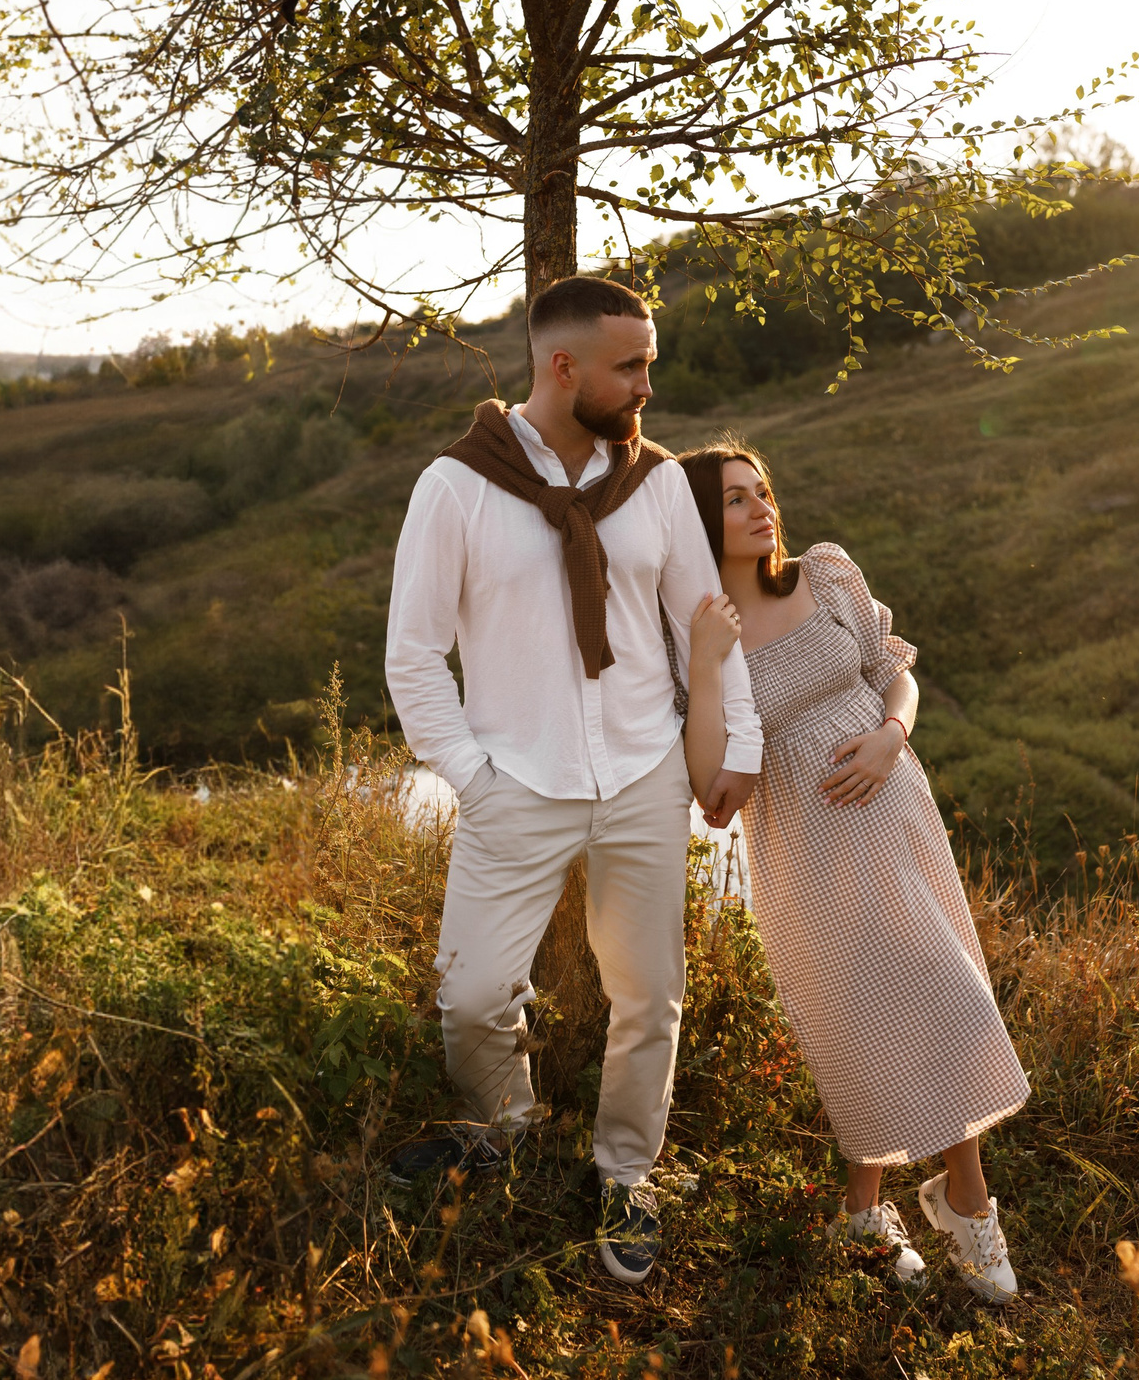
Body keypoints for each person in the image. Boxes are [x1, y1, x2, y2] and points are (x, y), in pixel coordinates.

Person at [384, 275, 761, 1286]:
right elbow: (413, 655)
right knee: (470, 996)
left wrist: (741, 745)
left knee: (650, 996)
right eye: (629, 366)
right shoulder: (456, 486)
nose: (647, 386)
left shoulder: (658, 484)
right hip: (516, 779)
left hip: (643, 771)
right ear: (563, 367)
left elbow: (705, 624)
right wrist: (475, 778)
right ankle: (502, 1130)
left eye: (648, 364)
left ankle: (624, 1171)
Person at [677, 440, 1029, 1303]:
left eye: (762, 491)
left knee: (947, 992)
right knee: (858, 1022)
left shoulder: (826, 575)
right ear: (697, 522)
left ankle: (964, 1198)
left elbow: (895, 677)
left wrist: (889, 737)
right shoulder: (699, 629)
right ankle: (865, 1212)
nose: (760, 508)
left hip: (895, 812)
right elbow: (711, 785)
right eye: (734, 499)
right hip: (806, 850)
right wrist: (705, 659)